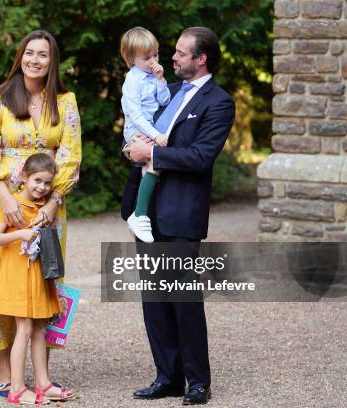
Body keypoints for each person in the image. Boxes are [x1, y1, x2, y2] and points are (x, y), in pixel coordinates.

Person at [123, 27, 235, 405]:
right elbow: (139, 126)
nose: (172, 57)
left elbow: (201, 157)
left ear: (200, 58)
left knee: (184, 301)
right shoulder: (165, 90)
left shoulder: (219, 102)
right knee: (154, 300)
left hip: (181, 211)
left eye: (181, 53)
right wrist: (131, 148)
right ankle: (166, 377)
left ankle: (197, 382)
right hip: (148, 212)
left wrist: (151, 156)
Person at [0, 29, 82, 398]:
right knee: (2, 281)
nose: (35, 60)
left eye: (43, 54)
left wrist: (52, 202)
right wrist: (6, 197)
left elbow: (70, 155)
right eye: (30, 53)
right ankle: (7, 373)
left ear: (52, 61)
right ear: (21, 57)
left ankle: (43, 375)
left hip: (50, 203)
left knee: (43, 281)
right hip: (2, 201)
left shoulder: (64, 102)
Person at [0, 153, 75, 405]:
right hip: (17, 276)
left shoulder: (45, 207)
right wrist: (20, 234)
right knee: (24, 328)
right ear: (25, 178)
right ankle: (16, 388)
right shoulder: (13, 205)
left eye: (47, 183)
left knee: (40, 328)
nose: (42, 187)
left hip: (38, 276)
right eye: (37, 180)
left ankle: (43, 383)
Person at [120, 27, 170, 243]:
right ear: (131, 59)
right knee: (154, 162)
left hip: (151, 126)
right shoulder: (132, 81)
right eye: (147, 57)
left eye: (156, 54)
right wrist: (156, 135)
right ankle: (139, 214)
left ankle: (140, 215)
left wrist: (160, 79)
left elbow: (165, 101)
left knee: (153, 166)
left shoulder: (153, 75)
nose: (153, 61)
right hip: (137, 129)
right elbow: (135, 115)